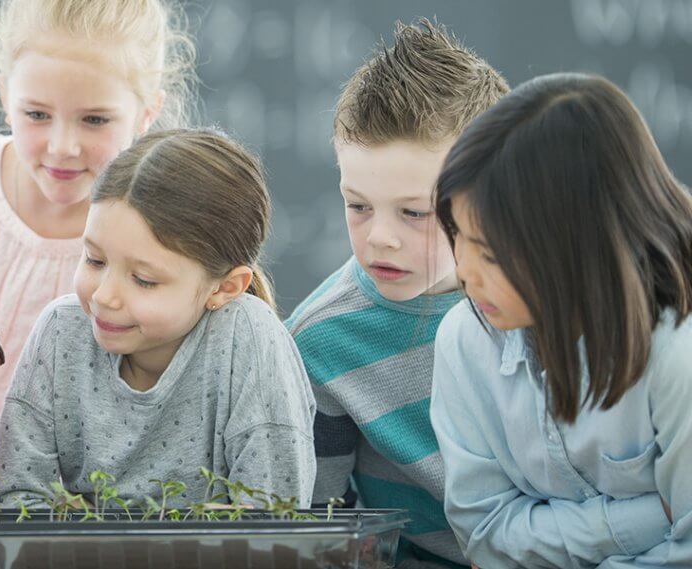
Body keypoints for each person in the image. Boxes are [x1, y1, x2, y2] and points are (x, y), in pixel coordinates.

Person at [432, 73, 692, 567]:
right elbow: (484, 535)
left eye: (489, 253)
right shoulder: (466, 338)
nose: (463, 274)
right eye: (458, 237)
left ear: (575, 245)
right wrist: (650, 516)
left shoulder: (678, 348)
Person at [0, 129, 316, 509]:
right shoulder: (61, 331)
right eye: (95, 260)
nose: (103, 296)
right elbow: (15, 497)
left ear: (225, 288)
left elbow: (276, 521)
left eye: (144, 280)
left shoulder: (250, 339)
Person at [0, 0, 198, 471]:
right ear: (4, 95)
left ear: (147, 113)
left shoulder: (168, 230)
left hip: (89, 514)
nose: (62, 146)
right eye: (36, 114)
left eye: (94, 120)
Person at [285, 19, 507, 567]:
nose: (380, 237)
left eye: (414, 212)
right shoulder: (321, 339)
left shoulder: (549, 300)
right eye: (358, 205)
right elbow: (320, 525)